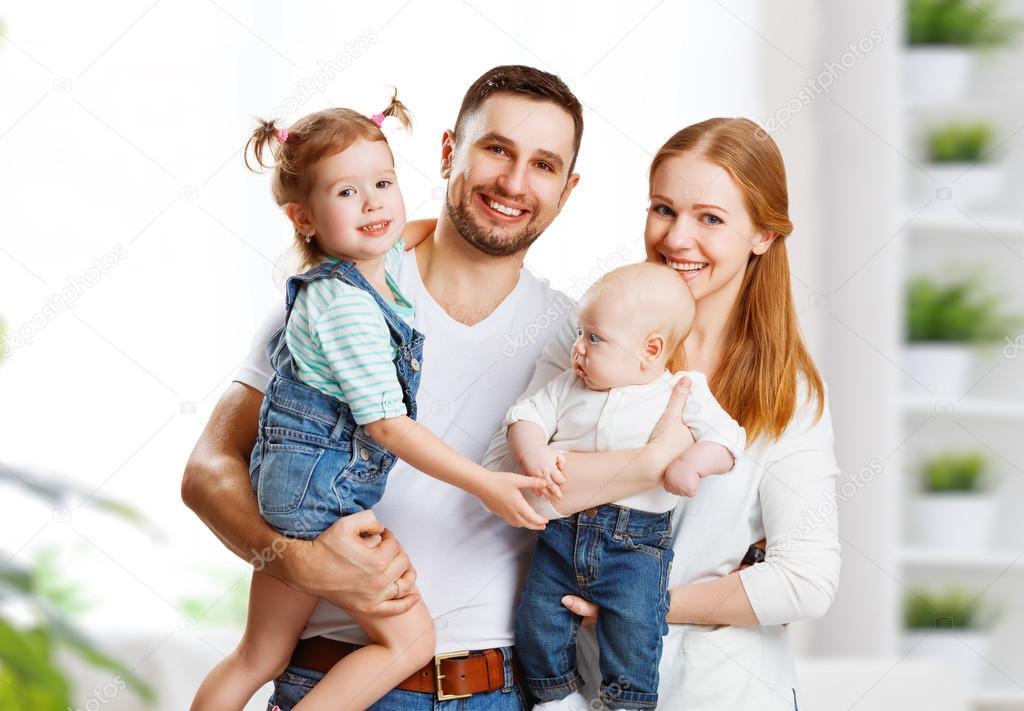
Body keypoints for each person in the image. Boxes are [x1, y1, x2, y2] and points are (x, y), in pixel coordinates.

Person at [182, 65, 685, 710]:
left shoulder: (582, 342)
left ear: (568, 189)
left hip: (500, 689)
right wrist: (298, 562)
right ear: (450, 151)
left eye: (543, 165)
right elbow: (206, 470)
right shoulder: (342, 298)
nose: (513, 181)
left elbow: (592, 485)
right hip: (337, 680)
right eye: (496, 149)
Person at [190, 93, 551, 711]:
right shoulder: (348, 307)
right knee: (411, 640)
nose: (373, 201)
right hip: (321, 503)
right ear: (303, 217)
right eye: (346, 192)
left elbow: (396, 235)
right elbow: (386, 425)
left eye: (382, 182)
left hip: (309, 499)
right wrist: (485, 484)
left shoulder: (364, 275)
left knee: (256, 656)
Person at [495, 118, 841, 710]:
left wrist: (633, 603)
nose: (677, 238)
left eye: (710, 218)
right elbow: (512, 491)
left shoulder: (789, 391)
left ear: (761, 234)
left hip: (727, 693)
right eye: (663, 209)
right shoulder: (588, 338)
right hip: (581, 689)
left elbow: (805, 582)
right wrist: (652, 463)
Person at [491, 262, 745, 710]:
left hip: (636, 545)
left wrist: (692, 463)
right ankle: (555, 696)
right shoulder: (567, 386)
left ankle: (627, 702)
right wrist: (534, 451)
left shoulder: (681, 392)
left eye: (594, 338)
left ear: (651, 350)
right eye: (580, 333)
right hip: (562, 535)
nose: (578, 349)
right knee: (537, 619)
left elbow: (729, 438)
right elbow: (523, 416)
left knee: (634, 628)